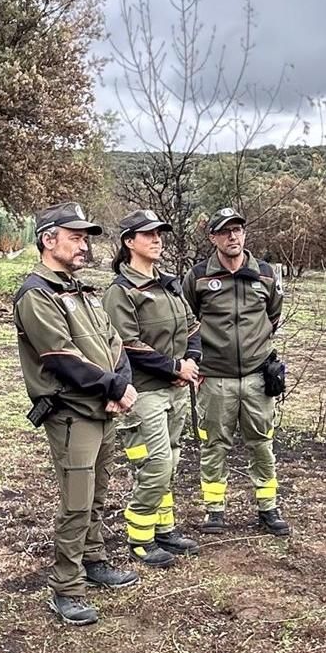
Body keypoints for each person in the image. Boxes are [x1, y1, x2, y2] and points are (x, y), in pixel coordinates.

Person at [14, 202, 141, 626]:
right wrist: (114, 386)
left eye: (85, 237)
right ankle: (66, 586)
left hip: (102, 409)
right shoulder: (37, 293)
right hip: (72, 414)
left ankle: (94, 559)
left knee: (98, 493)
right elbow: (59, 358)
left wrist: (119, 382)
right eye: (75, 236)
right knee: (76, 502)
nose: (84, 245)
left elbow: (115, 343)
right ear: (49, 240)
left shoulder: (81, 290)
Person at [104, 209, 203, 568]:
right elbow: (126, 343)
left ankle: (165, 529)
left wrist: (190, 364)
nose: (157, 239)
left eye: (160, 233)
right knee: (155, 463)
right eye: (148, 234)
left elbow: (193, 327)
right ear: (129, 242)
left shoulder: (169, 283)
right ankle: (140, 536)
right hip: (144, 392)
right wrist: (175, 367)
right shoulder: (121, 290)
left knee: (172, 459)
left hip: (177, 389)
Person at [183, 207, 291, 537]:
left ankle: (267, 508)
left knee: (262, 443)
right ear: (213, 237)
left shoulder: (265, 274)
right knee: (215, 445)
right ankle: (214, 511)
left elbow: (273, 315)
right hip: (215, 378)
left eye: (238, 230)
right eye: (225, 231)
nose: (233, 236)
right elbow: (189, 320)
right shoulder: (198, 276)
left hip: (258, 378)